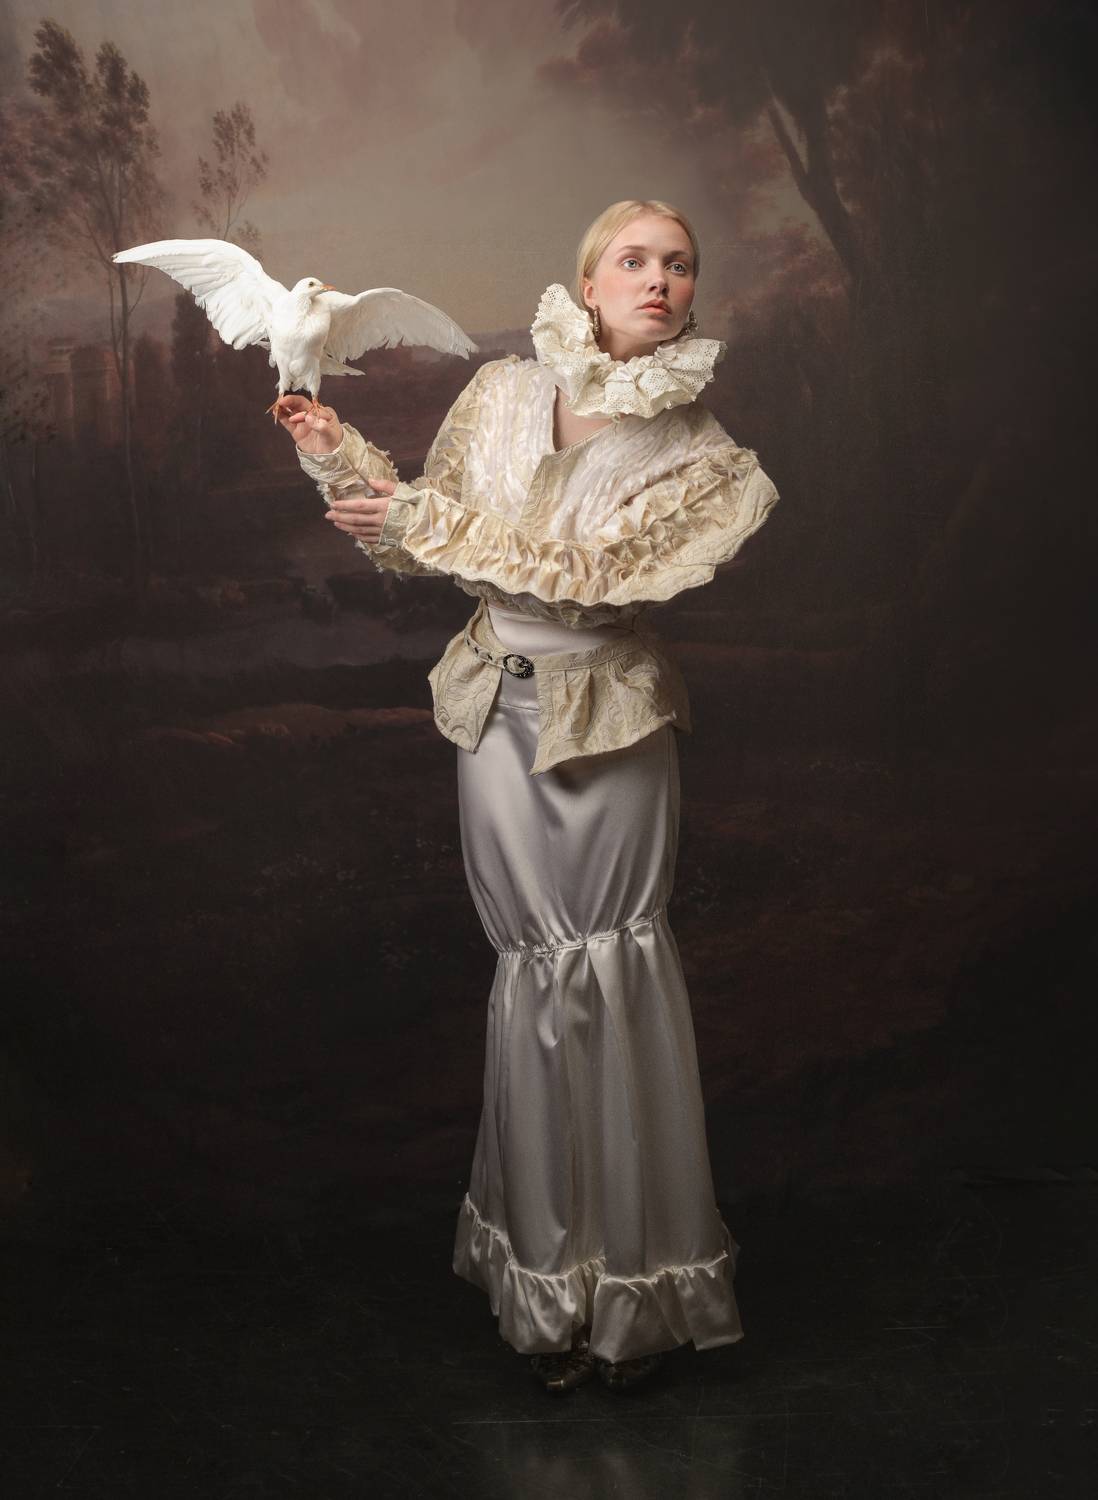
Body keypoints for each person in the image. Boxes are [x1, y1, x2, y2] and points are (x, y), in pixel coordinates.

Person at [280, 200, 780, 1394]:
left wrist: (427, 517)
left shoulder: (712, 462)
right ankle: (548, 1284)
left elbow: (596, 583)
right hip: (493, 717)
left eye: (679, 266)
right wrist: (338, 455)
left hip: (606, 725)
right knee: (535, 977)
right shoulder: (502, 393)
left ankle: (636, 1292)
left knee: (604, 968)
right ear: (589, 281)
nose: (657, 280)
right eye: (633, 260)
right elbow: (419, 541)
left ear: (692, 296)